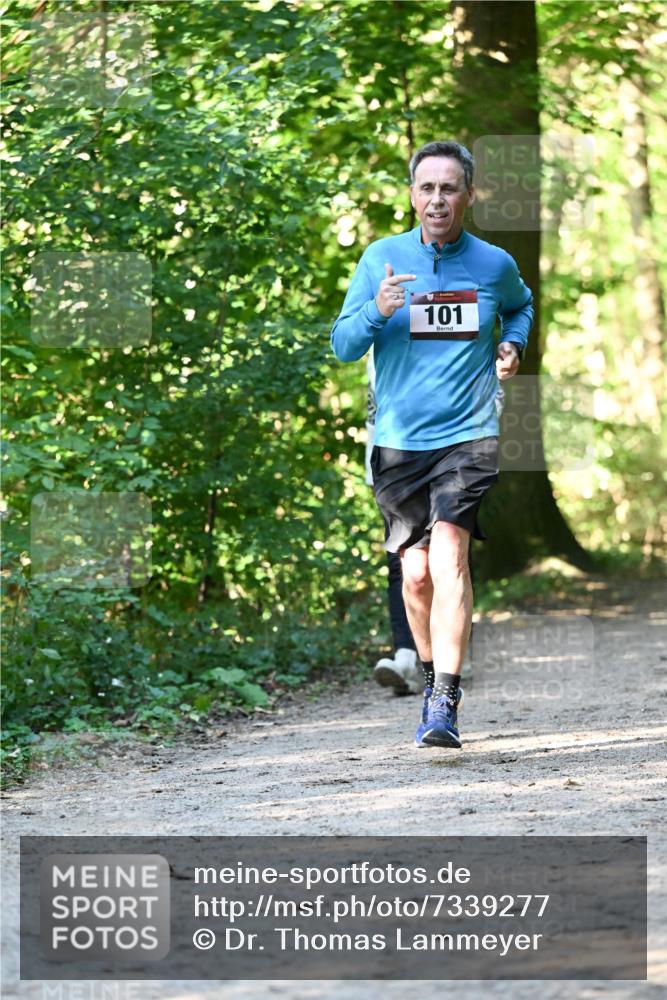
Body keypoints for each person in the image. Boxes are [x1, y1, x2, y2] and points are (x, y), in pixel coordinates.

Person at [331, 140, 533, 750]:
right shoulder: (381, 259)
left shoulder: (493, 263)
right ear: (412, 195)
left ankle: (445, 698)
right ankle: (428, 676)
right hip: (398, 443)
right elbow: (342, 344)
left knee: (448, 560)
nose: (437, 199)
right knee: (415, 576)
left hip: (468, 436)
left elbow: (520, 307)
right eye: (427, 188)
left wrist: (512, 346)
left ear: (469, 196)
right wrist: (376, 310)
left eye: (449, 188)